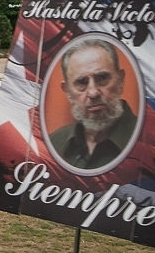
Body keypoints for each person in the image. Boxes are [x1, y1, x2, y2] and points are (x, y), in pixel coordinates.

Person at [49, 37, 138, 170]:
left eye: (102, 78)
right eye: (81, 82)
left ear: (120, 79)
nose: (93, 92)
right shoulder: (53, 143)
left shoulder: (150, 140)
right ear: (67, 90)